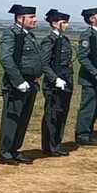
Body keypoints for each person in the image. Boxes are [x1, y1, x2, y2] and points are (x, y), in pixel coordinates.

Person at [0, 4, 44, 165]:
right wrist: (18, 81)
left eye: (34, 16)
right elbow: (6, 59)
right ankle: (5, 153)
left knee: (23, 118)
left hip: (30, 83)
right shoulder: (11, 34)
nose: (35, 20)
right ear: (19, 18)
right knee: (12, 119)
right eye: (31, 17)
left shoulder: (29, 35)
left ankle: (14, 150)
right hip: (17, 83)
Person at [38, 9, 74, 156]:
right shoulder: (49, 40)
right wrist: (55, 79)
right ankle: (49, 146)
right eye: (63, 22)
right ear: (54, 23)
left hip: (65, 80)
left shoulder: (64, 39)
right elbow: (44, 63)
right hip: (54, 84)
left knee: (62, 113)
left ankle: (57, 144)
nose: (66, 25)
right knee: (52, 115)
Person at [74, 7, 97, 145]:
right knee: (88, 107)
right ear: (92, 19)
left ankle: (88, 131)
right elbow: (82, 57)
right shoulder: (87, 35)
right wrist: (96, 73)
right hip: (90, 78)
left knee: (95, 106)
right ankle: (82, 135)